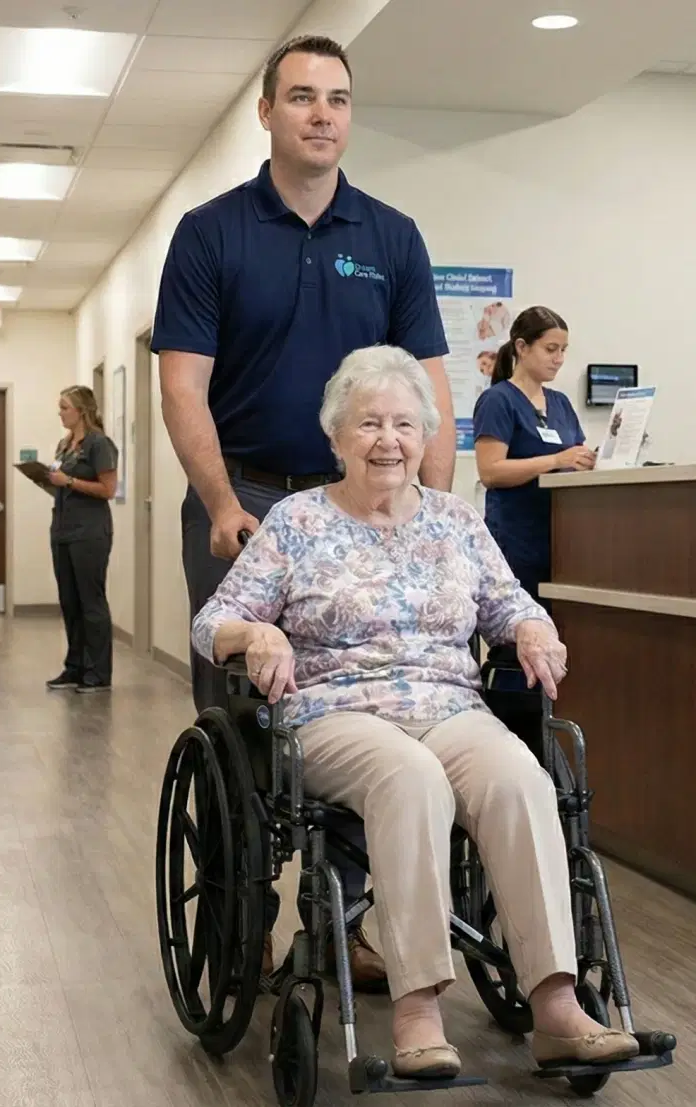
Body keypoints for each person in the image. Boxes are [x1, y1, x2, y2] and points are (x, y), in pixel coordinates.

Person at [191, 347, 639, 1079]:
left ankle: (557, 1003)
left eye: (404, 423)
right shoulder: (296, 522)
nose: (388, 440)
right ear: (336, 437)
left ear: (427, 437)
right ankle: (418, 1008)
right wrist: (258, 632)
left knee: (519, 775)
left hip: (447, 703)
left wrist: (530, 628)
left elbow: (507, 602)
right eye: (368, 423)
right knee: (411, 776)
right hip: (336, 712)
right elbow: (214, 622)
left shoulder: (456, 521)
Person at [152, 33, 456, 991]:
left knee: (373, 698)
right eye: (301, 97)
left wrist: (433, 519)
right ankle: (240, 918)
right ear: (267, 112)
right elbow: (182, 386)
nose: (322, 113)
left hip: (358, 508)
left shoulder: (392, 237)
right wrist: (216, 503)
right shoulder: (210, 231)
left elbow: (428, 389)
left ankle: (359, 922)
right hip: (243, 493)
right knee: (238, 715)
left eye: (338, 98)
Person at [472, 307, 593, 607]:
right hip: (517, 538)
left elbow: (573, 456)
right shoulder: (498, 400)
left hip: (561, 537)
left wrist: (585, 461)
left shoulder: (560, 403)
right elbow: (490, 471)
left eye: (563, 350)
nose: (559, 359)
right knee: (519, 634)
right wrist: (555, 461)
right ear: (522, 348)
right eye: (551, 349)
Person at [43, 385, 118, 693]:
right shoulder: (64, 445)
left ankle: (98, 673)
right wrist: (51, 481)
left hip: (89, 533)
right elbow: (63, 484)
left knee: (91, 601)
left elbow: (108, 490)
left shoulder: (100, 444)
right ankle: (74, 667)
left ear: (81, 411)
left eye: (64, 407)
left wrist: (69, 481)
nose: (60, 413)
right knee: (70, 602)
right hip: (62, 529)